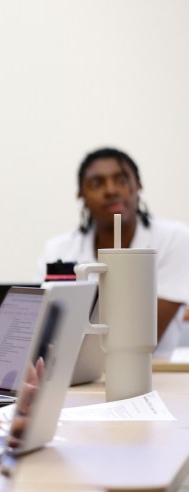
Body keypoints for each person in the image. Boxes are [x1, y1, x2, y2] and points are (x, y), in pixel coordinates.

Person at [34, 147, 189, 344]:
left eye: (122, 181)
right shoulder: (57, 249)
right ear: (81, 195)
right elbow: (44, 329)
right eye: (97, 184)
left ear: (138, 187)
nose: (111, 190)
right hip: (74, 371)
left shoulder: (174, 239)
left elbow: (144, 335)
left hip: (155, 368)